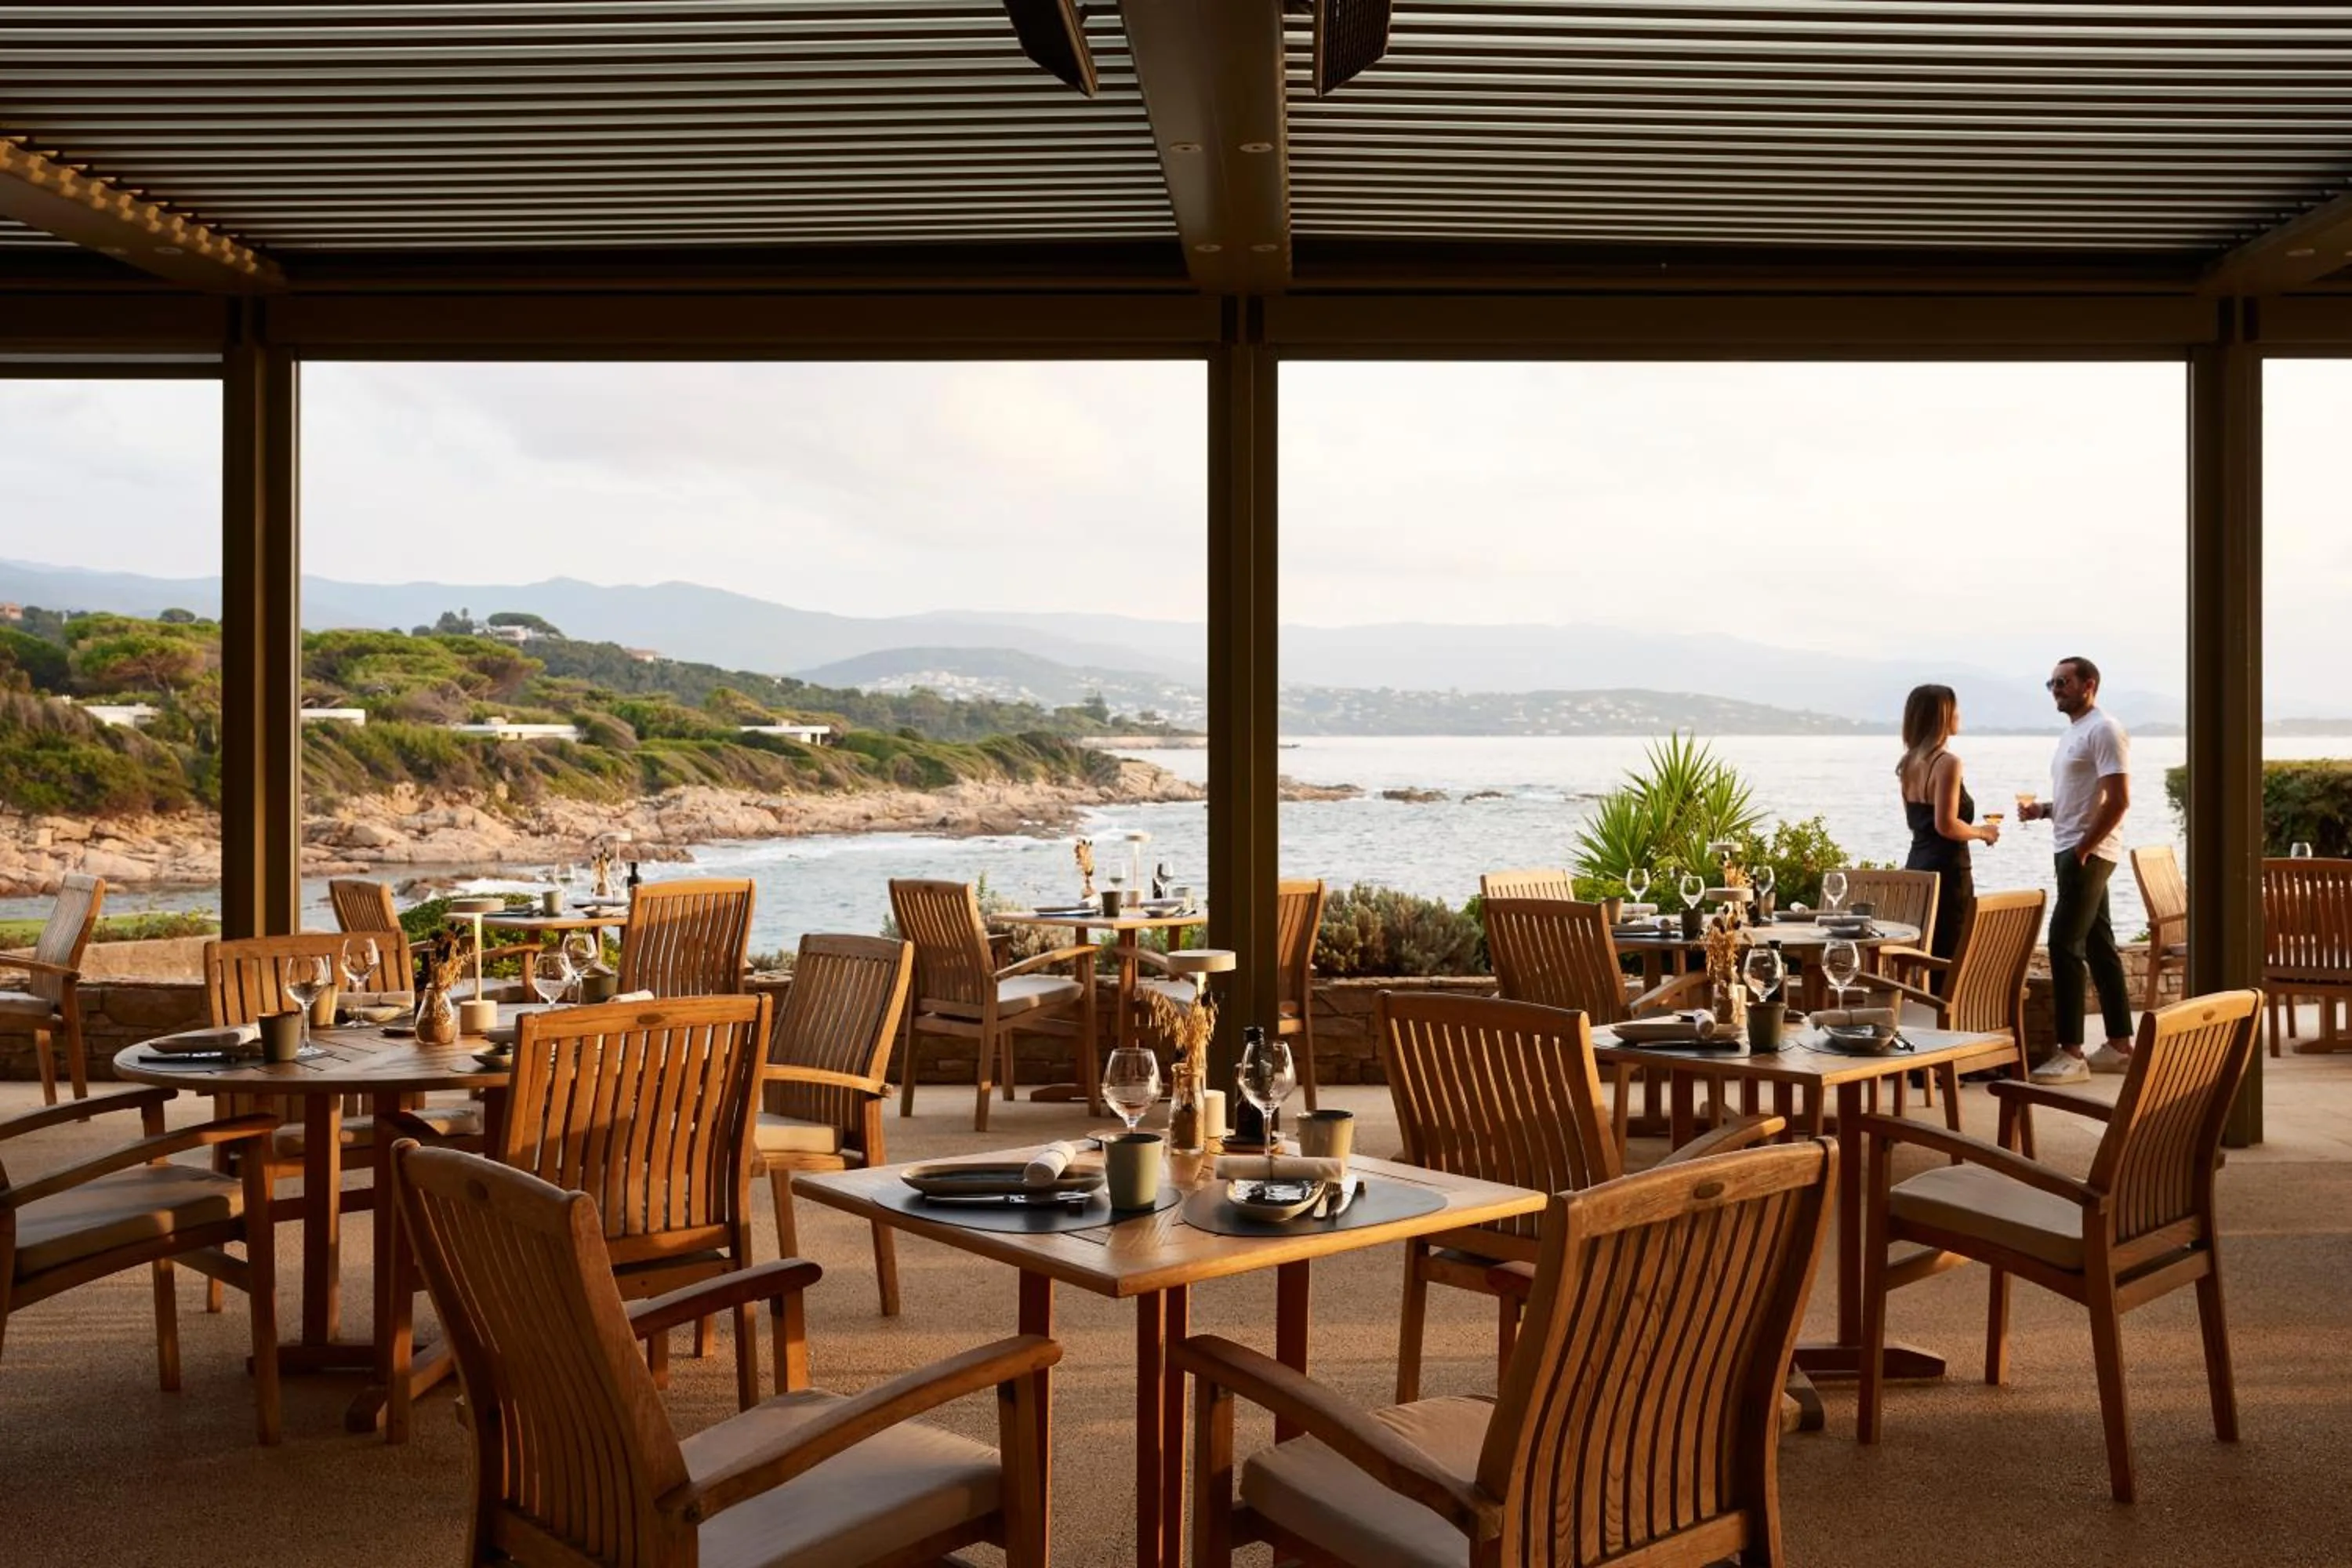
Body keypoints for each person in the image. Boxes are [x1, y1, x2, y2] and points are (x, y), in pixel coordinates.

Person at [2017, 655, 2134, 1082]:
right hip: (2070, 847)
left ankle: (2071, 1052)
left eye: (2063, 681)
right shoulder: (2076, 733)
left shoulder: (2104, 729)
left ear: (2089, 684)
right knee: (2100, 945)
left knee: (2064, 943)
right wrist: (2043, 810)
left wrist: (2085, 848)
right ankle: (2121, 1046)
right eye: (2051, 683)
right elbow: (2079, 797)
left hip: (2087, 853)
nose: (2056, 688)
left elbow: (2118, 800)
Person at [1896, 684, 1998, 962]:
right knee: (1950, 955)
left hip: (1917, 869)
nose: (1959, 714)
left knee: (1924, 953)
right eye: (1955, 709)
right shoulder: (1948, 763)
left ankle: (1924, 1004)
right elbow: (1946, 825)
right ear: (1942, 716)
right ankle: (1948, 1006)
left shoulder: (1908, 764)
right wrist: (1983, 833)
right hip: (1948, 873)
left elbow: (1916, 823)